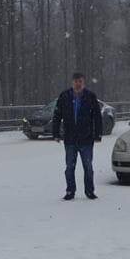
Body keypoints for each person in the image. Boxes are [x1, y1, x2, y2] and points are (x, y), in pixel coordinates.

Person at [52, 72, 103, 200]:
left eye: (80, 81)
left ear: (83, 82)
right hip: (70, 139)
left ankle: (90, 191)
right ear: (72, 82)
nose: (78, 84)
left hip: (86, 139)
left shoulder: (90, 97)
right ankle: (70, 191)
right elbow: (57, 116)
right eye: (75, 81)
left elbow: (97, 117)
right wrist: (56, 133)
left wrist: (98, 134)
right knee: (69, 167)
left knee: (88, 167)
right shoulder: (64, 96)